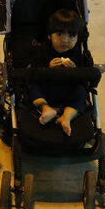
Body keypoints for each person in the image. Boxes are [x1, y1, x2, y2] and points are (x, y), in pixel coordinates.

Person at [28, 9, 88, 137]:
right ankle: (46, 108)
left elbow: (84, 76)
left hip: (68, 90)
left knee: (81, 91)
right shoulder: (43, 49)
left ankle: (67, 116)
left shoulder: (76, 53)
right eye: (60, 34)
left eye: (71, 36)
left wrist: (75, 71)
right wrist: (47, 67)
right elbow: (33, 69)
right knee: (32, 87)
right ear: (49, 35)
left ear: (78, 38)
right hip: (46, 89)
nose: (65, 40)